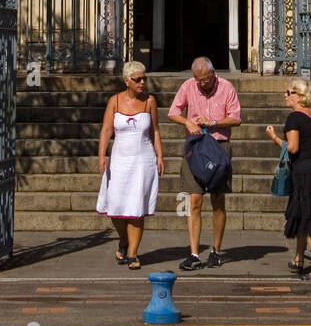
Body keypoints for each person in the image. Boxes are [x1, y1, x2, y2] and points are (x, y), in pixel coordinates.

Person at [168, 56, 241, 270]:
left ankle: (216, 250)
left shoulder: (227, 87)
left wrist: (214, 122)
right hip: (196, 147)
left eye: (205, 80)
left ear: (213, 74)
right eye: (198, 79)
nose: (201, 84)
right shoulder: (188, 86)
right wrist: (188, 122)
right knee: (194, 201)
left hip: (219, 147)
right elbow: (173, 112)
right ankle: (193, 253)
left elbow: (236, 118)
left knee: (218, 201)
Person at [266, 77, 311, 279]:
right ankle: (298, 257)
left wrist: (274, 138)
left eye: (289, 93)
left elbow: (293, 148)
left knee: (308, 218)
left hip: (305, 173)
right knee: (303, 215)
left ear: (299, 96)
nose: (285, 96)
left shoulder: (294, 118)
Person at [96, 60, 164, 269]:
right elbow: (107, 130)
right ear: (126, 81)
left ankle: (133, 253)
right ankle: (124, 240)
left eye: (144, 78)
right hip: (119, 160)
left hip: (143, 161)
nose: (142, 83)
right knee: (115, 206)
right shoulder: (114, 101)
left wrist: (160, 156)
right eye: (137, 79)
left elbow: (155, 131)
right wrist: (101, 156)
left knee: (136, 208)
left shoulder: (149, 101)